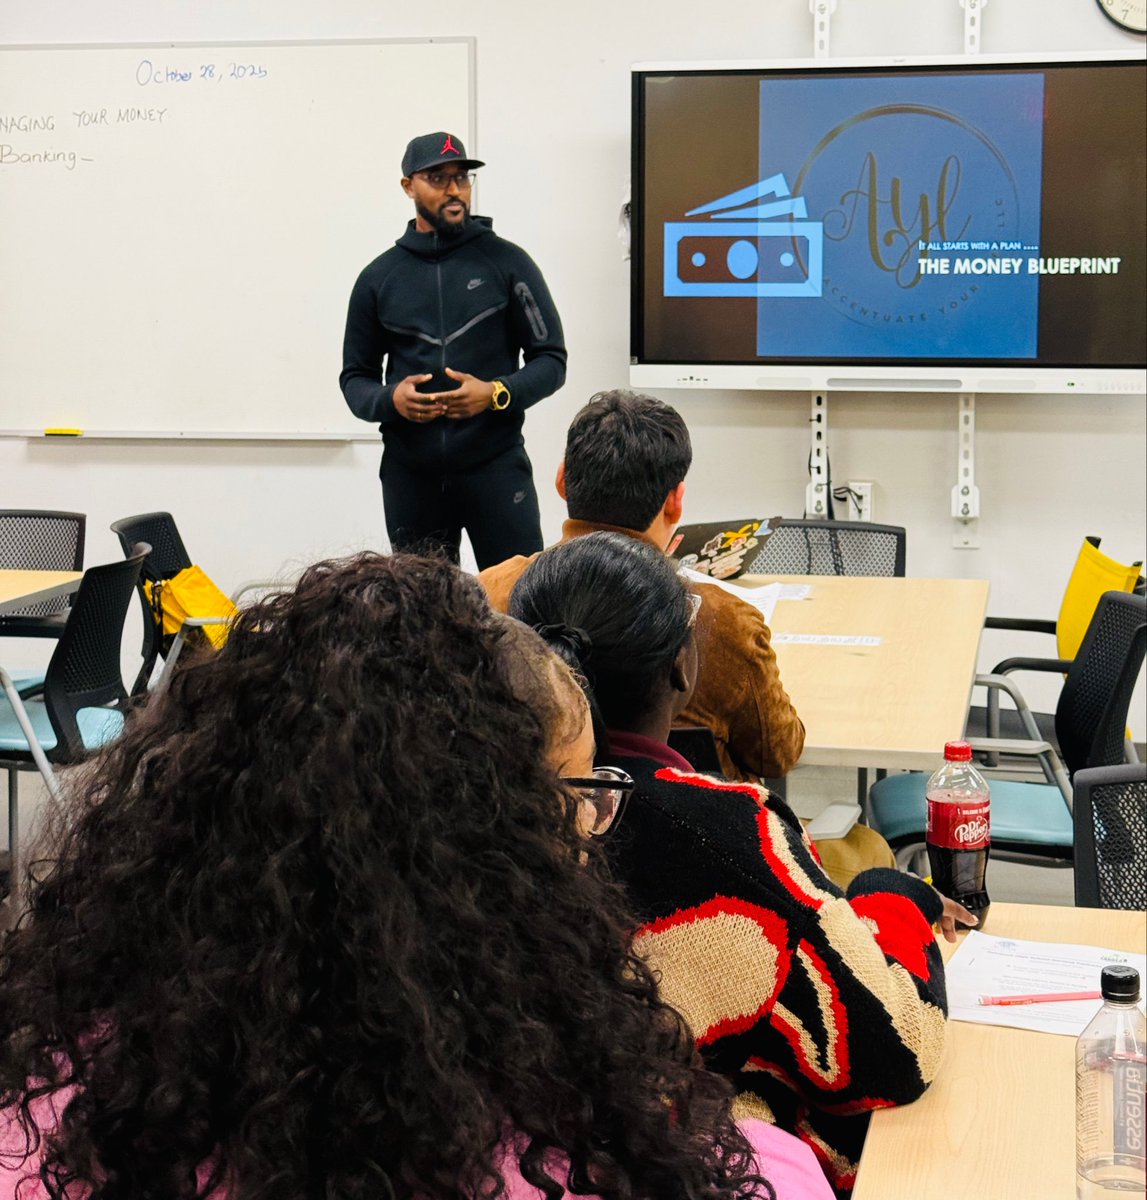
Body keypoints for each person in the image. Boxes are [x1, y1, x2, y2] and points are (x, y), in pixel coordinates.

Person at [0, 551, 837, 1200]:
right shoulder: (652, 1160)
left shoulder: (55, 1121)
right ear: (500, 856)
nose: (593, 826)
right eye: (577, 797)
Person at [508, 532, 973, 1199]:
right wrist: (894, 895)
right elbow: (896, 1051)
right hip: (701, 1171)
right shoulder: (731, 834)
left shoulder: (469, 819)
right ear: (681, 669)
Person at [478, 389, 892, 889]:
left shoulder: (488, 596)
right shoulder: (719, 618)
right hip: (708, 868)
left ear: (562, 479)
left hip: (534, 865)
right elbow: (778, 753)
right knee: (870, 850)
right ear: (676, 500)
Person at [340, 131, 567, 569]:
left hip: (497, 469)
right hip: (411, 477)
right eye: (438, 178)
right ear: (408, 186)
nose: (454, 190)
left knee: (519, 601)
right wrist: (391, 400)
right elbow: (354, 379)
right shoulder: (378, 279)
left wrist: (496, 393)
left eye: (462, 178)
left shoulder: (509, 263)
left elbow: (551, 360)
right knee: (423, 608)